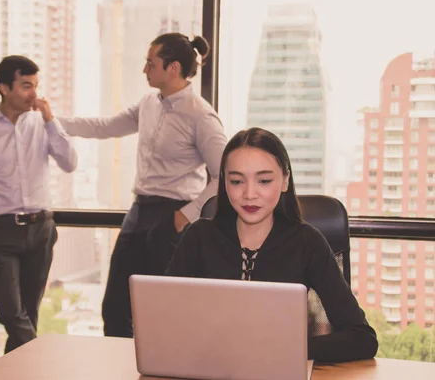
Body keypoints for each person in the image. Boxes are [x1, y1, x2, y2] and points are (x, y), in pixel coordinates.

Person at [58, 33, 228, 337]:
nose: (144, 69)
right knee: (115, 307)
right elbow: (107, 126)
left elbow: (223, 177)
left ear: (173, 68)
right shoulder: (150, 102)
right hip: (139, 213)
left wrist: (187, 214)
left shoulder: (201, 115)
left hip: (173, 217)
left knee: (159, 309)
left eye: (151, 63)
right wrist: (55, 122)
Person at [166, 127, 378, 363]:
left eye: (264, 180)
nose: (249, 194)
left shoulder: (308, 243)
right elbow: (165, 320)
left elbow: (362, 338)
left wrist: (285, 351)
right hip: (209, 367)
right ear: (224, 183)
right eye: (236, 181)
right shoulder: (199, 237)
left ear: (285, 180)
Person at [0, 55, 77, 353]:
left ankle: (21, 369)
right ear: (4, 87)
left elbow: (70, 162)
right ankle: (38, 359)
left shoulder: (43, 124)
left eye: (35, 85)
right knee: (11, 314)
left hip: (41, 229)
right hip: (1, 232)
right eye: (25, 86)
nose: (34, 93)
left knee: (28, 316)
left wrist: (51, 121)